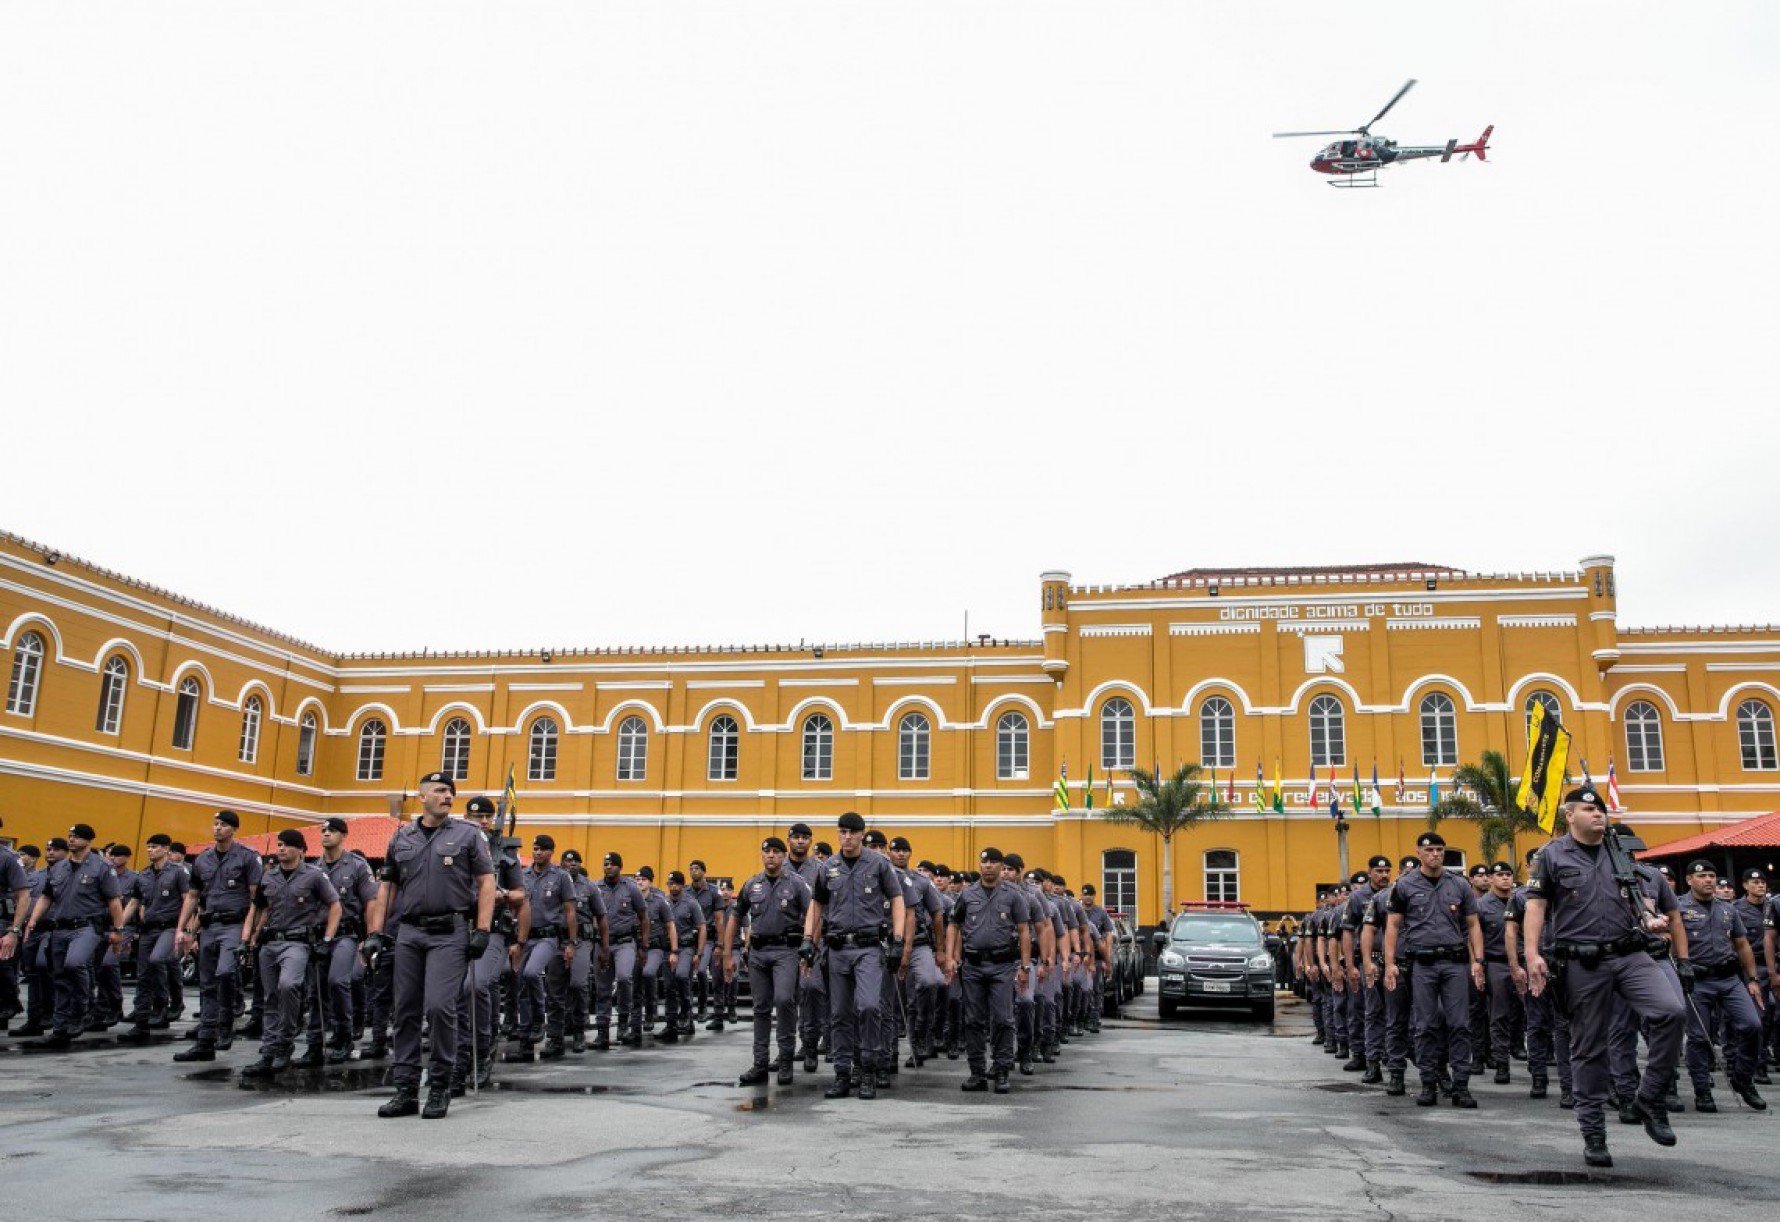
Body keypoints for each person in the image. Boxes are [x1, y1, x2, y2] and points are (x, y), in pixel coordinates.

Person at [1524, 786, 1688, 1169]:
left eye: (1601, 809)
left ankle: (1649, 1099)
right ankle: (1594, 1133)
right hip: (1582, 963)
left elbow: (1637, 900)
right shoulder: (1551, 855)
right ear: (1570, 816)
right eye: (1588, 808)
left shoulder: (1619, 851)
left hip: (1631, 953)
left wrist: (1651, 920)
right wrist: (1532, 955)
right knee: (1589, 1048)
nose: (1598, 814)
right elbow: (1536, 907)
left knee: (1671, 1012)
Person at [362, 771, 495, 1120]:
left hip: (449, 933)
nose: (447, 795)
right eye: (439, 790)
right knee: (404, 1010)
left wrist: (482, 928)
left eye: (450, 791)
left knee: (439, 1007)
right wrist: (375, 931)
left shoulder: (468, 835)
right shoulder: (402, 837)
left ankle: (440, 1085)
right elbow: (386, 887)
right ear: (422, 797)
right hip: (408, 933)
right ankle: (405, 1090)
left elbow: (485, 881)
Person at [803, 812, 905, 1099]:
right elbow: (817, 905)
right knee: (839, 1014)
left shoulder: (879, 864)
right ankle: (843, 1073)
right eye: (842, 832)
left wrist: (898, 940)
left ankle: (868, 1069)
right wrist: (808, 939)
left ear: (862, 834)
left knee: (870, 1006)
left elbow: (897, 900)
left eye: (852, 832)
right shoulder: (828, 867)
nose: (846, 837)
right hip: (836, 949)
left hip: (869, 948)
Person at [1383, 831, 1484, 1108]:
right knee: (1425, 1025)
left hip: (1454, 963)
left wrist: (1479, 962)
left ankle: (1461, 1085)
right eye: (1429, 850)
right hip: (1422, 965)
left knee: (1460, 1025)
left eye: (1440, 850)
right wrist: (1390, 964)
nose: (1436, 854)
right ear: (1419, 854)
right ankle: (1428, 1083)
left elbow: (1473, 924)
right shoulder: (1404, 886)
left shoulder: (1459, 885)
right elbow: (1393, 926)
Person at [241, 829, 341, 1078]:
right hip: (270, 942)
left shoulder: (314, 876)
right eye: (279, 844)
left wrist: (327, 938)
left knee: (289, 986)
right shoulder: (269, 878)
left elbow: (335, 905)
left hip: (297, 943)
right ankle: (270, 1050)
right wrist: (248, 939)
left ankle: (285, 1040)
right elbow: (258, 910)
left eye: (286, 845)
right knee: (270, 998)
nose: (281, 849)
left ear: (300, 849)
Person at [20, 823, 126, 1049]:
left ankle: (82, 1009)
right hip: (60, 927)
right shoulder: (59, 868)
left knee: (75, 963)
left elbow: (114, 901)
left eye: (76, 837)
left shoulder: (102, 867)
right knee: (59, 976)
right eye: (70, 836)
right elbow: (46, 897)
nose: (71, 840)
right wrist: (33, 920)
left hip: (87, 927)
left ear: (88, 841)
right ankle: (60, 1028)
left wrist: (118, 930)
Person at [1675, 860, 1767, 1112]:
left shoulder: (1728, 909)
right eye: (1702, 876)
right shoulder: (1679, 908)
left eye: (1712, 876)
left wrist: (1752, 979)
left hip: (1728, 979)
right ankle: (1702, 1090)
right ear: (1690, 880)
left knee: (1752, 1025)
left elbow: (1742, 944)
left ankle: (1743, 1078)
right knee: (1698, 1038)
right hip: (1697, 980)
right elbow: (1670, 943)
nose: (1709, 880)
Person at [173, 811, 263, 1062]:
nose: (218, 829)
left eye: (223, 825)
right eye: (215, 824)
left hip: (235, 923)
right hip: (209, 924)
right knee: (207, 981)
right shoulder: (203, 860)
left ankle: (226, 1022)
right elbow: (193, 897)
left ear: (234, 829)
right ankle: (206, 1038)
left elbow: (256, 898)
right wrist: (184, 929)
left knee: (225, 972)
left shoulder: (247, 857)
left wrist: (251, 932)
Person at [945, 847, 1034, 1094]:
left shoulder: (1013, 895)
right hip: (972, 966)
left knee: (1003, 1019)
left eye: (994, 862)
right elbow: (954, 925)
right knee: (973, 1020)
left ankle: (1002, 1070)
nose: (988, 867)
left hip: (1002, 966)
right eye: (984, 863)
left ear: (1000, 866)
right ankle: (977, 1072)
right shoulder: (967, 894)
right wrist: (952, 957)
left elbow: (1025, 931)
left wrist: (1025, 967)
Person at [725, 836, 812, 1086]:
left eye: (776, 852)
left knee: (785, 1001)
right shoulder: (752, 884)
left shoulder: (797, 885)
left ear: (784, 856)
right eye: (767, 852)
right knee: (760, 1008)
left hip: (787, 950)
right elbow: (735, 916)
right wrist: (727, 952)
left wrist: (808, 946)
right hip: (758, 952)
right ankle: (760, 1063)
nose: (771, 856)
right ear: (762, 855)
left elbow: (813, 914)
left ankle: (785, 1060)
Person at [314, 818, 378, 1064]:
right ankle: (316, 1040)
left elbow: (370, 902)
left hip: (347, 933)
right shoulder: (314, 867)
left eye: (332, 831)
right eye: (323, 831)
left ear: (344, 835)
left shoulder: (358, 866)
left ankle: (345, 1034)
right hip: (319, 935)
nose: (326, 834)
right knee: (316, 989)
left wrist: (371, 935)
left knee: (338, 980)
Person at [117, 834, 187, 1043]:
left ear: (166, 849)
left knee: (158, 960)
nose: (150, 850)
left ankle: (166, 1004)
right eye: (148, 847)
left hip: (169, 927)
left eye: (155, 847)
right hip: (149, 929)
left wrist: (186, 929)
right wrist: (119, 925)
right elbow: (134, 903)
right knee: (143, 975)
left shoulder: (178, 873)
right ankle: (141, 1023)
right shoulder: (144, 875)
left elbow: (188, 900)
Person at [513, 834, 577, 1060]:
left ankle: (547, 1027)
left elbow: (570, 911)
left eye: (542, 849)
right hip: (525, 937)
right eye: (535, 848)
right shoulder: (523, 875)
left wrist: (571, 942)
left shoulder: (561, 877)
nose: (537, 852)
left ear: (551, 852)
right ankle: (525, 1042)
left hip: (549, 937)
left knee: (535, 976)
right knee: (521, 985)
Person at [593, 851, 648, 1050]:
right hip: (602, 944)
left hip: (625, 942)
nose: (608, 867)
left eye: (612, 864)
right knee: (603, 988)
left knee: (625, 978)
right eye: (605, 864)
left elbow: (643, 917)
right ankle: (602, 1031)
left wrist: (643, 946)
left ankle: (623, 1024)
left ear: (620, 867)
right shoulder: (596, 888)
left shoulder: (631, 888)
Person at [1478, 862, 1520, 1084]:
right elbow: (1475, 939)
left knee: (1533, 1016)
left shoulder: (1522, 900)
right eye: (1499, 875)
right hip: (1496, 963)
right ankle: (1501, 1062)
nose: (1505, 878)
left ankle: (1539, 1066)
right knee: (1499, 1015)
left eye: (1508, 874)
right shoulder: (1482, 905)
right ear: (1491, 879)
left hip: (1523, 963)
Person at [664, 871, 705, 1043]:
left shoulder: (691, 903)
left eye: (676, 884)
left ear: (682, 885)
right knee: (669, 986)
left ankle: (686, 1012)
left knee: (681, 976)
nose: (673, 887)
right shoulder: (663, 902)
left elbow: (702, 927)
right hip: (667, 948)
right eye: (671, 883)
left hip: (686, 947)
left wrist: (699, 953)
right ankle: (671, 1023)